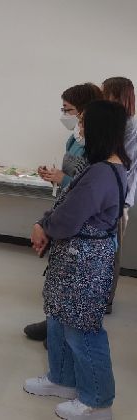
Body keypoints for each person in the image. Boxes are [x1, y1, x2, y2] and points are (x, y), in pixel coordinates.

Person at [24, 100, 129, 420]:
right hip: (73, 259)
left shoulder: (102, 173)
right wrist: (44, 222)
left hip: (84, 262)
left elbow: (68, 218)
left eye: (83, 123)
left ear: (99, 128)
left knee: (82, 329)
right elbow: (67, 202)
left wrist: (43, 227)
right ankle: (62, 379)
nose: (79, 129)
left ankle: (98, 402)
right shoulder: (100, 167)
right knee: (59, 318)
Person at [24, 83, 103, 343]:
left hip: (79, 221)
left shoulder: (98, 151)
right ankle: (53, 325)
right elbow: (72, 180)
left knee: (72, 286)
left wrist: (63, 181)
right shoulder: (75, 140)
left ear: (85, 112)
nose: (65, 116)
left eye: (69, 110)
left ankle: (62, 334)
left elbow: (84, 190)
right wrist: (54, 177)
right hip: (65, 208)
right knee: (56, 279)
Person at [102, 76, 137, 313]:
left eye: (106, 93)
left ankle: (106, 300)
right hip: (111, 191)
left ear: (117, 95)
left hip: (119, 196)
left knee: (112, 249)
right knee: (104, 248)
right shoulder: (117, 122)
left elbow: (124, 164)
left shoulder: (129, 126)